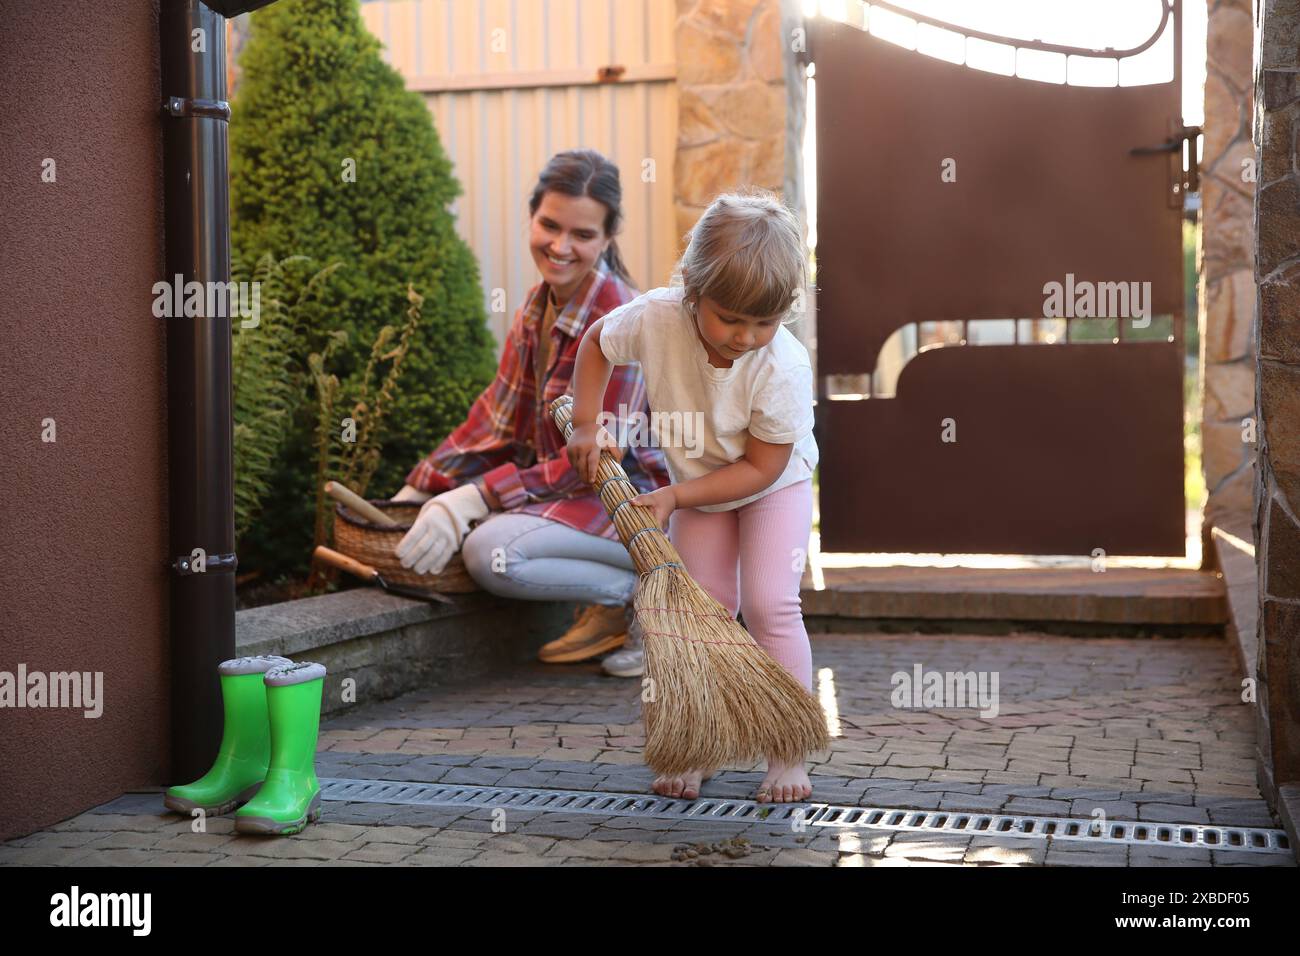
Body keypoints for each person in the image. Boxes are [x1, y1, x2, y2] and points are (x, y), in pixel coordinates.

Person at [565, 189, 819, 804]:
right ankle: (692, 744)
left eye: (765, 321)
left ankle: (788, 751)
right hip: (698, 485)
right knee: (696, 612)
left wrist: (677, 496)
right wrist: (587, 424)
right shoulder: (655, 316)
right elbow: (596, 343)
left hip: (771, 486)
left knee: (769, 605)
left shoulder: (782, 366)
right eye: (731, 318)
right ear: (693, 291)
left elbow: (761, 468)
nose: (745, 336)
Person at [391, 149, 669, 677]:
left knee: (490, 550)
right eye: (549, 225)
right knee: (482, 530)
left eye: (583, 235)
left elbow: (592, 462)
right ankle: (617, 602)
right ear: (532, 216)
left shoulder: (623, 323)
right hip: (573, 503)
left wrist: (479, 495)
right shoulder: (535, 309)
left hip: (635, 503)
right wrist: (420, 487)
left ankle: (649, 600)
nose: (561, 246)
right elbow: (494, 419)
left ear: (608, 239)